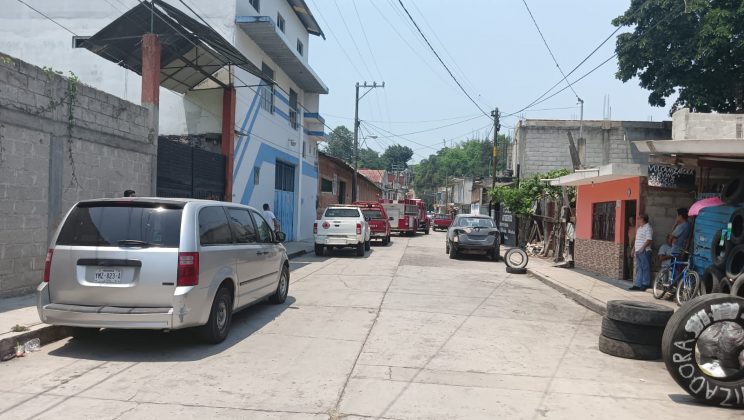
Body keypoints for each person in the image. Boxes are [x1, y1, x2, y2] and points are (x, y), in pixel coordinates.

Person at [630, 214, 653, 291]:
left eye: (639, 218)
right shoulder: (639, 228)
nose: (637, 220)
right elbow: (637, 240)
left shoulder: (648, 227)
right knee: (639, 268)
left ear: (643, 219)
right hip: (638, 251)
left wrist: (642, 248)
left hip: (644, 251)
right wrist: (633, 249)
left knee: (645, 267)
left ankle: (645, 284)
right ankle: (638, 284)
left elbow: (649, 240)